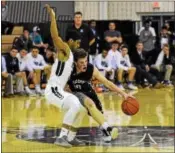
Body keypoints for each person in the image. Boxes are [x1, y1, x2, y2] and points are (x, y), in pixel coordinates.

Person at [67, 48, 134, 142]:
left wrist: (123, 93)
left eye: (86, 61)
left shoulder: (91, 68)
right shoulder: (69, 69)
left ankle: (104, 129)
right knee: (87, 106)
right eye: (81, 62)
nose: (85, 64)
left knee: (98, 113)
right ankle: (107, 128)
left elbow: (107, 82)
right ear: (75, 62)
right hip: (74, 93)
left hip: (88, 91)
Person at [44, 5, 88, 147]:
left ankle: (71, 137)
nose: (79, 44)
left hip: (59, 90)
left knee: (81, 108)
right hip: (53, 90)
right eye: (77, 41)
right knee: (75, 104)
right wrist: (52, 16)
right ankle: (61, 137)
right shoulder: (65, 49)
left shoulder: (71, 58)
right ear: (70, 41)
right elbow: (55, 36)